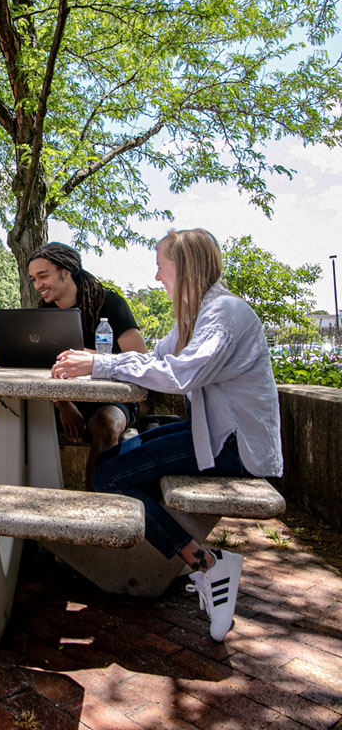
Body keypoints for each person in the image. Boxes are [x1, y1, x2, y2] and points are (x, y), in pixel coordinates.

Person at [51, 229, 282, 641]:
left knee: (107, 476)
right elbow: (155, 357)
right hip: (210, 434)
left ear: (187, 268)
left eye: (162, 266)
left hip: (232, 446)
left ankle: (205, 563)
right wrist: (98, 359)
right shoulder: (198, 314)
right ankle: (162, 548)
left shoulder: (225, 315)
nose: (157, 277)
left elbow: (180, 373)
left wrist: (100, 366)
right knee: (121, 458)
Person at [28, 242, 147, 487]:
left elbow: (140, 356)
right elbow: (43, 366)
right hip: (64, 397)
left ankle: (97, 506)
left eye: (43, 276)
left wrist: (92, 359)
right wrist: (64, 404)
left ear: (66, 272)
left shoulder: (110, 303)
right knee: (16, 420)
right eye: (33, 279)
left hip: (112, 398)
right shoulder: (44, 312)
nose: (38, 285)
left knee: (105, 426)